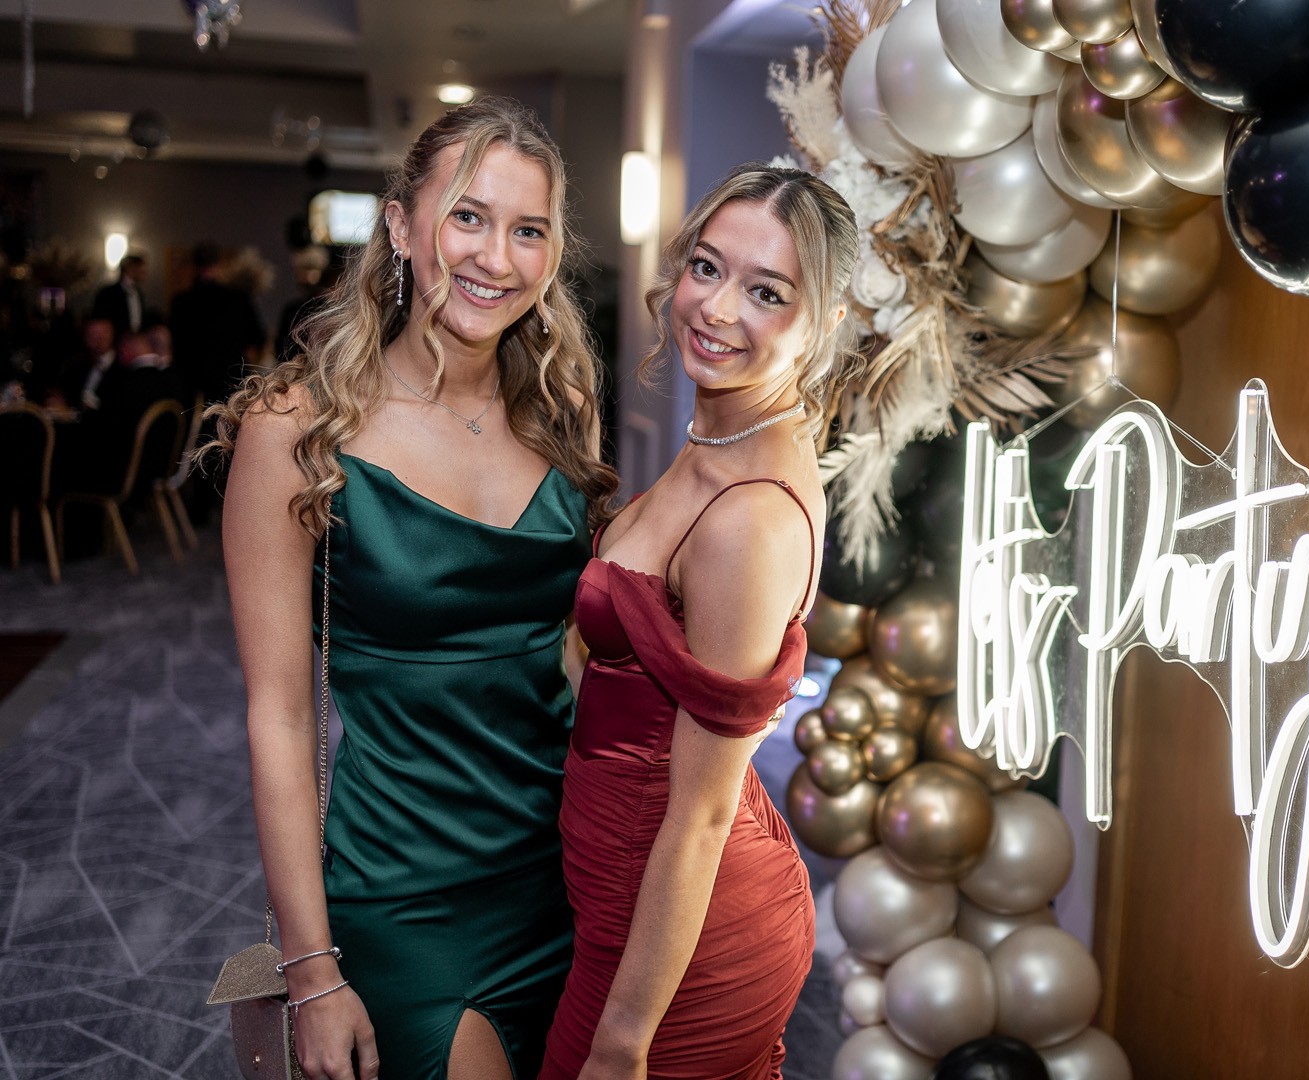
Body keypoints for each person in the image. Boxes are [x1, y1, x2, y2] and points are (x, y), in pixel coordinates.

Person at [208, 97, 616, 1080]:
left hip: (568, 877)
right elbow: (279, 715)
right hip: (404, 890)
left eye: (528, 230)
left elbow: (574, 651)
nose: (496, 258)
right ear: (400, 225)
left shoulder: (563, 408)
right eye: (467, 216)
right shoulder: (296, 428)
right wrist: (312, 972)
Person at [540, 164, 859, 1080]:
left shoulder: (752, 517)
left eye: (767, 292)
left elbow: (706, 812)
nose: (716, 308)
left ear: (823, 323)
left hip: (687, 937)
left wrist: (623, 1042)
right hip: (626, 890)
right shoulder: (717, 439)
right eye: (707, 268)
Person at [169, 241, 267, 406]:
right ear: (218, 265)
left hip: (191, 380)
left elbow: (176, 345)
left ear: (194, 266)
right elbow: (257, 337)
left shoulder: (180, 302)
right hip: (230, 379)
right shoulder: (237, 298)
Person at [90, 253, 153, 337]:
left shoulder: (139, 293)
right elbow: (102, 322)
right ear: (130, 268)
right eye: (141, 269)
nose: (145, 273)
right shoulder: (108, 293)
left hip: (135, 340)